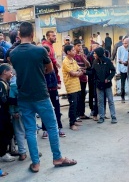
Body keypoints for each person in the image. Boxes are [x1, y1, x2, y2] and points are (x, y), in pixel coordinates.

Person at [10, 22, 77, 173]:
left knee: (30, 130)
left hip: (24, 96)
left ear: (19, 35)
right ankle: (57, 158)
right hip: (41, 94)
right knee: (52, 127)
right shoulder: (40, 51)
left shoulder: (13, 54)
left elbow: (16, 71)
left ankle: (35, 163)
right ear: (32, 34)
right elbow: (50, 69)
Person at [86, 47, 117, 124]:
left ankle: (113, 117)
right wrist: (84, 72)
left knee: (110, 101)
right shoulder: (95, 62)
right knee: (100, 102)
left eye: (95, 53)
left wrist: (109, 78)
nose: (94, 54)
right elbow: (92, 72)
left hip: (107, 85)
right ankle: (101, 117)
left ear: (99, 54)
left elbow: (113, 71)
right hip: (99, 85)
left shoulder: (107, 61)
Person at [41, 45, 65, 139]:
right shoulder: (38, 63)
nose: (46, 55)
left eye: (48, 53)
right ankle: (45, 130)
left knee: (57, 109)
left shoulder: (52, 62)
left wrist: (58, 82)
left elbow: (56, 73)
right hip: (44, 90)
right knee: (44, 110)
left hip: (54, 89)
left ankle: (59, 127)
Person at [62, 45, 83, 130]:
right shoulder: (65, 61)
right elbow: (73, 73)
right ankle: (71, 123)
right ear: (68, 52)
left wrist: (78, 73)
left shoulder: (73, 60)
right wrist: (78, 73)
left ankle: (74, 120)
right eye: (73, 50)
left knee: (77, 104)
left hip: (77, 85)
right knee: (73, 105)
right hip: (71, 86)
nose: (75, 51)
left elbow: (80, 69)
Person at [0, 63, 15, 162]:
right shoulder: (1, 84)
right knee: (5, 132)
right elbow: (3, 100)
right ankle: (2, 153)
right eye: (10, 72)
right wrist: (18, 101)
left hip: (5, 112)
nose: (12, 74)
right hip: (2, 113)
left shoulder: (5, 83)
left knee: (8, 131)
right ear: (5, 72)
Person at [73, 39, 91, 120]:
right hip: (76, 79)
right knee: (77, 97)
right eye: (78, 46)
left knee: (83, 96)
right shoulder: (72, 56)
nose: (80, 47)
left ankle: (82, 113)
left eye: (81, 46)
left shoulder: (83, 55)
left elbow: (88, 66)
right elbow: (75, 68)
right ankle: (76, 114)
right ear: (74, 46)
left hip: (83, 79)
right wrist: (82, 68)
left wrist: (83, 57)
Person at [117, 38, 129, 103]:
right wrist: (118, 70)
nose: (125, 44)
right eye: (124, 43)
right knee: (122, 84)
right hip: (122, 69)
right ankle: (122, 97)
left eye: (126, 43)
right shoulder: (120, 48)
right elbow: (118, 60)